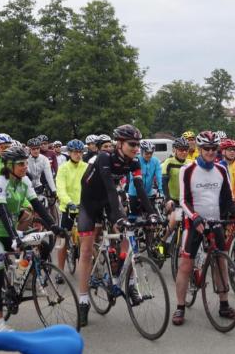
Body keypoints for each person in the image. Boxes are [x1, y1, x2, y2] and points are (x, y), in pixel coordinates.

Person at [76, 124, 157, 327]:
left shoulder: (134, 162)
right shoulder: (104, 158)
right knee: (86, 251)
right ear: (119, 144)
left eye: (138, 144)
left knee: (127, 231)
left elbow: (139, 188)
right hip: (90, 203)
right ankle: (83, 301)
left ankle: (127, 279)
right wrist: (119, 216)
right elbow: (111, 189)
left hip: (109, 200)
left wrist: (153, 213)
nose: (136, 148)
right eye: (132, 144)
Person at [0, 146, 63, 332]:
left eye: (26, 163)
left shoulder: (25, 181)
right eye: (20, 164)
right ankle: (0, 324)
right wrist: (13, 237)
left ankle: (15, 286)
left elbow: (37, 206)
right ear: (9, 165)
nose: (25, 166)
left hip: (11, 230)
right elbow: (1, 212)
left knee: (36, 247)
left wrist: (54, 226)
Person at [172, 130, 235, 326]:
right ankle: (180, 307)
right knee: (185, 265)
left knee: (221, 263)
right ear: (200, 149)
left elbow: (227, 198)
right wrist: (194, 217)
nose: (210, 152)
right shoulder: (188, 169)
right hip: (193, 221)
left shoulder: (221, 169)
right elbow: (183, 200)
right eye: (206, 149)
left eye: (213, 148)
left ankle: (224, 304)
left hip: (215, 221)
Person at [55, 139, 88, 273]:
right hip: (68, 207)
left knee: (87, 238)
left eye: (80, 152)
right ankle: (60, 271)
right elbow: (60, 189)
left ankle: (89, 269)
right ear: (69, 153)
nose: (78, 155)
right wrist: (68, 202)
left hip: (83, 207)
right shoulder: (63, 168)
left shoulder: (86, 167)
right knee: (63, 239)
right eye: (75, 152)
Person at [161, 137, 190, 250]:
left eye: (186, 150)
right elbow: (164, 183)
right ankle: (163, 243)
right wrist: (168, 199)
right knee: (174, 220)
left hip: (185, 201)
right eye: (181, 149)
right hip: (173, 199)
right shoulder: (169, 162)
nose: (184, 152)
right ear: (175, 150)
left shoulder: (189, 163)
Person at [127, 140, 163, 217]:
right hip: (134, 192)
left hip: (148, 193)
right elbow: (133, 178)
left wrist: (161, 191)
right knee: (134, 217)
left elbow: (159, 176)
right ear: (142, 151)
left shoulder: (155, 161)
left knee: (150, 218)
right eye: (147, 153)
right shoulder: (135, 160)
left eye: (151, 153)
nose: (149, 155)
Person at [219, 138, 235, 204]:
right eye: (229, 149)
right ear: (223, 151)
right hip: (224, 203)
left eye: (234, 150)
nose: (232, 152)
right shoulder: (218, 166)